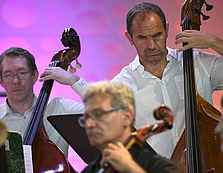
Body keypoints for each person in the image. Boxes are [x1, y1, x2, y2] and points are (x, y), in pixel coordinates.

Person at [40, 1, 223, 158]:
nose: (151, 45)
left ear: (167, 29)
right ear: (129, 37)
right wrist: (73, 80)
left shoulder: (199, 63)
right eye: (142, 38)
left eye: (157, 35)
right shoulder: (123, 82)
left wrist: (215, 42)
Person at [0, 47, 84, 155]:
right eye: (8, 75)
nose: (16, 81)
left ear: (34, 75)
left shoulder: (59, 108)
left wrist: (74, 80)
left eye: (22, 73)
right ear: (1, 81)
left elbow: (105, 107)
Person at [76, 81, 180, 173]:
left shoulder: (159, 167)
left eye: (98, 114)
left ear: (127, 117)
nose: (89, 124)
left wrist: (131, 169)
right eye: (87, 117)